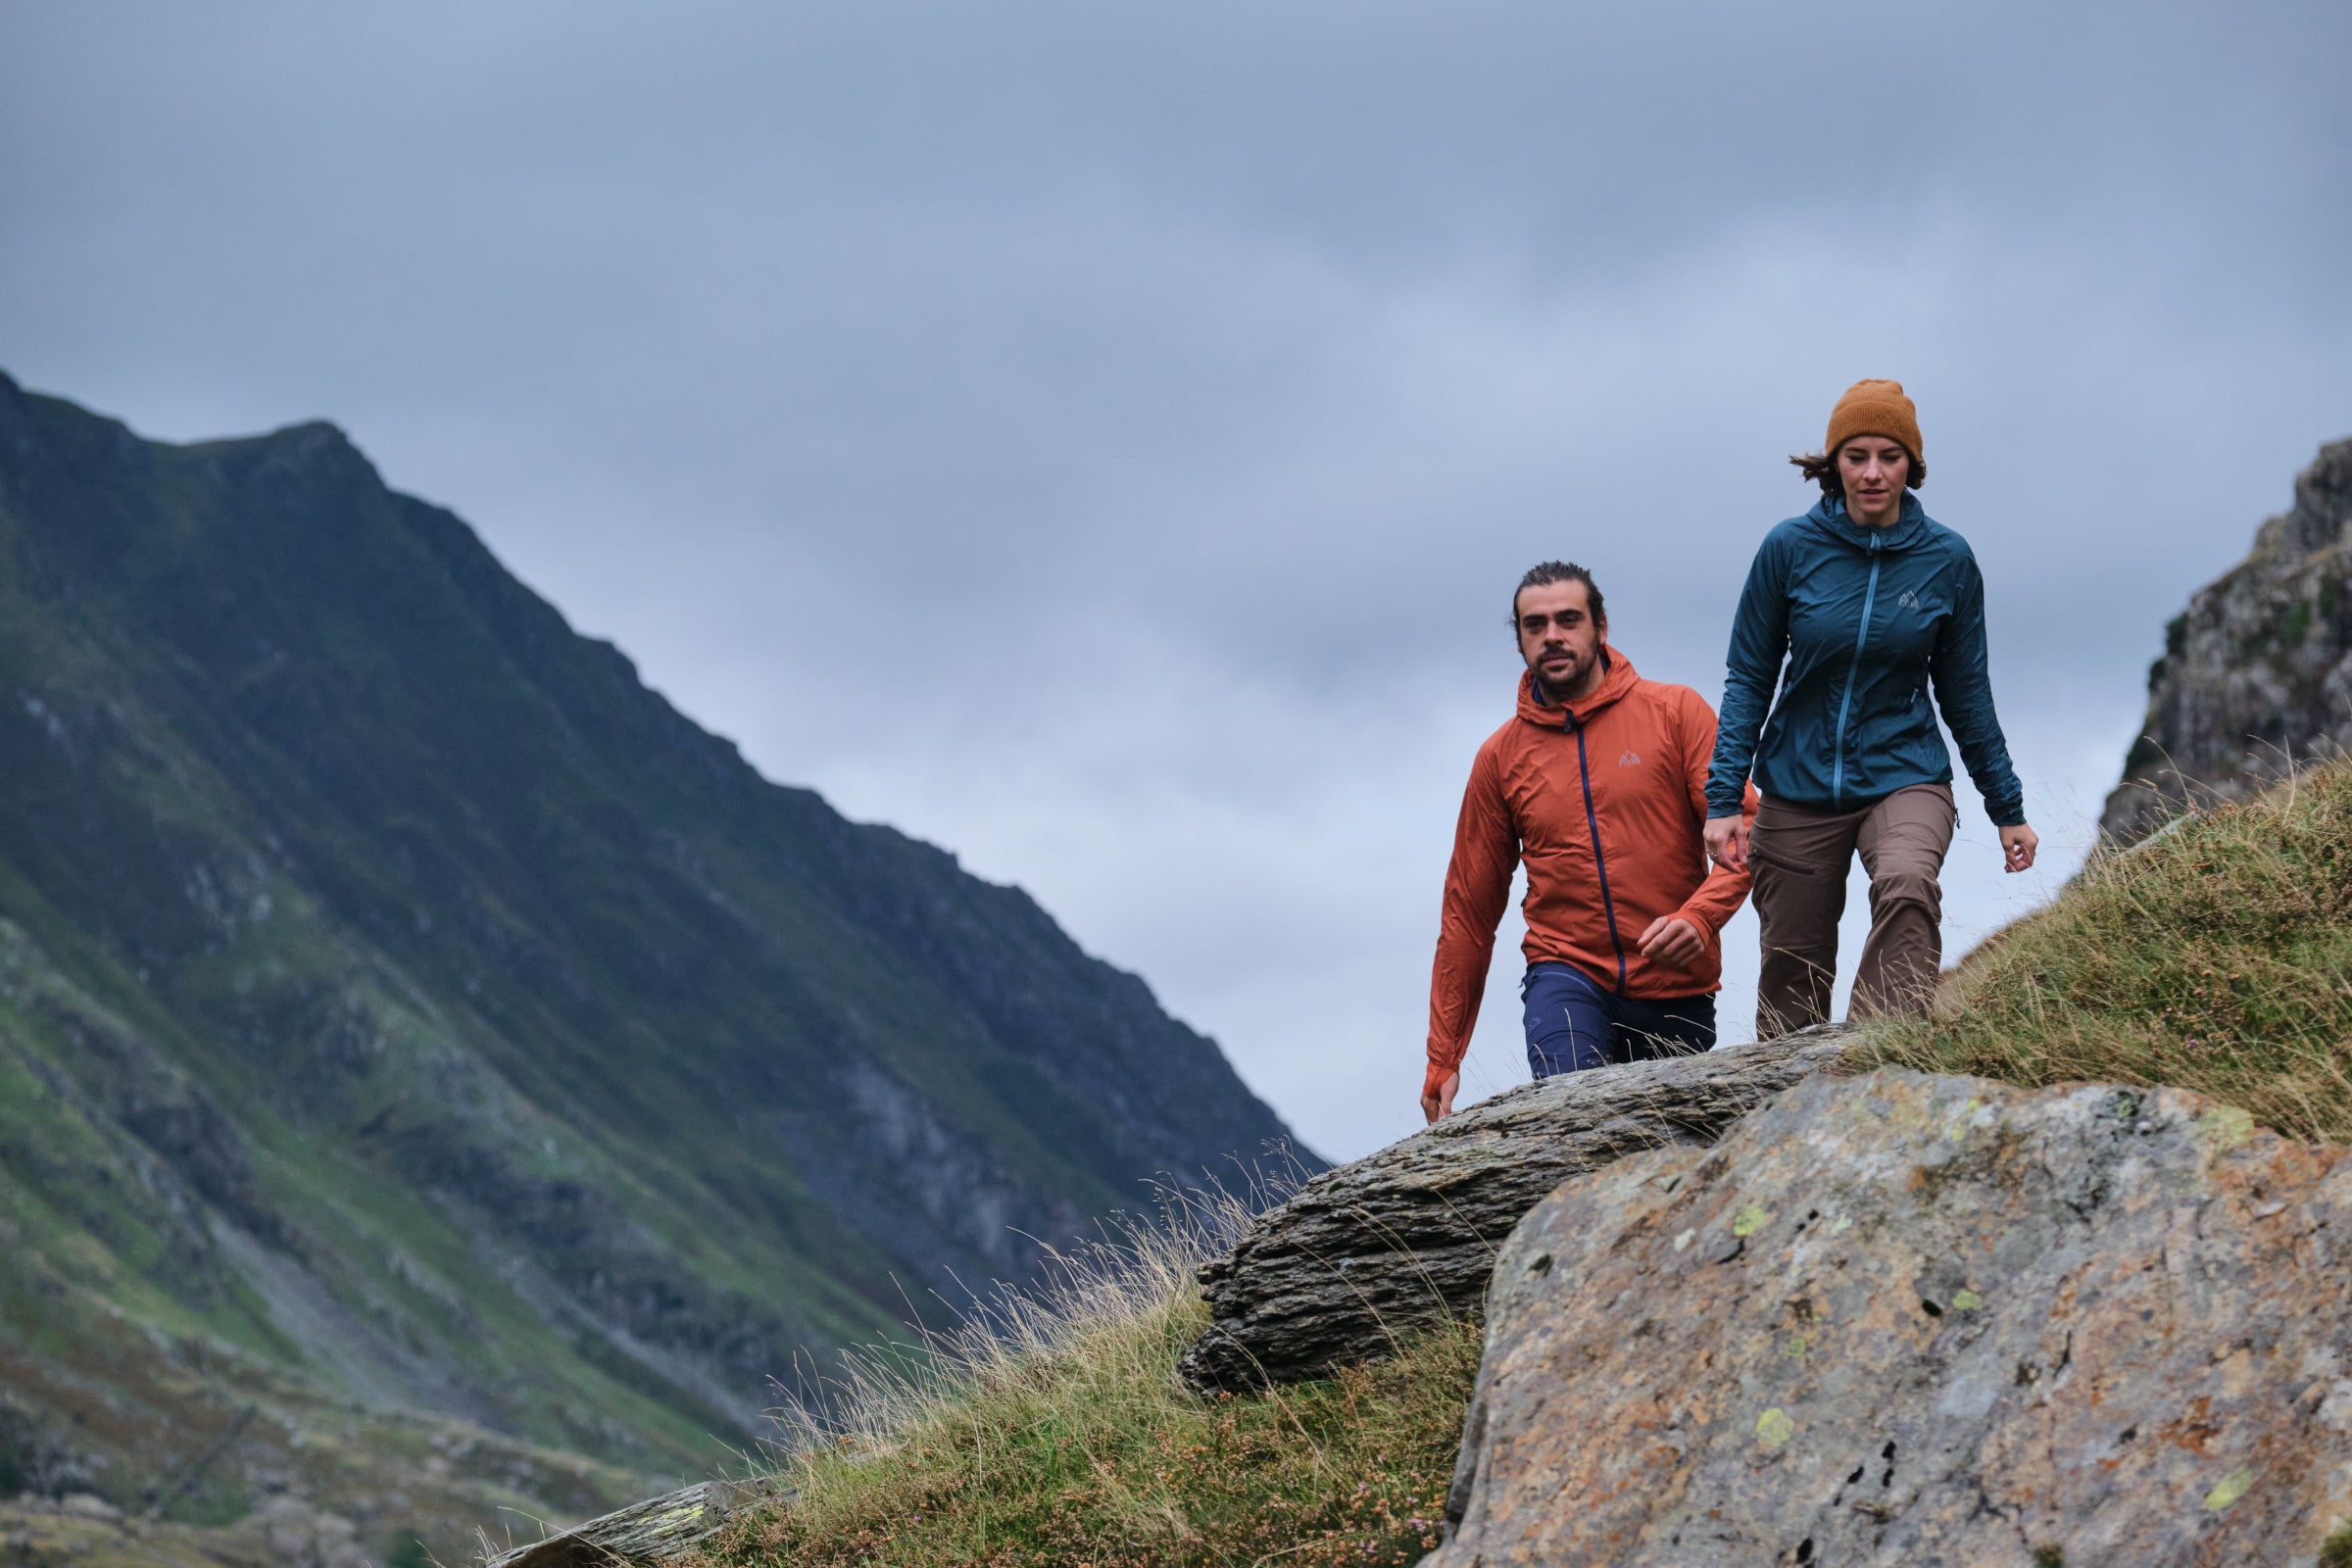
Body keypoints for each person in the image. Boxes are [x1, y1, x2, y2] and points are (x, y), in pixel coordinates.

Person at [1702, 379, 2038, 1037]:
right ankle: (1786, 1106)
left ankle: (1879, 1058)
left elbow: (1967, 694)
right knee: (1792, 966)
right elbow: (1749, 678)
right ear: (1834, 464)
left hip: (1904, 771)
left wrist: (2008, 808)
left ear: (1913, 465)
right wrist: (1722, 801)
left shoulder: (1948, 560)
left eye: (1890, 455)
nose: (1874, 473)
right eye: (1857, 456)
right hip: (1797, 783)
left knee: (1908, 882)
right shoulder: (1789, 549)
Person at [1421, 563, 1758, 1123]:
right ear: (1521, 639)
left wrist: (1700, 918)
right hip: (1566, 972)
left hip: (1676, 982)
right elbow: (1468, 913)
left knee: (1669, 1149)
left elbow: (1749, 839)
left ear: (1601, 628)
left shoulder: (1675, 714)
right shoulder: (1500, 758)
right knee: (1578, 1125)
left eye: (1568, 620)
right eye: (1535, 625)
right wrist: (1444, 1053)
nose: (1552, 635)